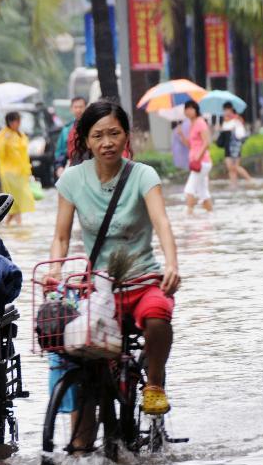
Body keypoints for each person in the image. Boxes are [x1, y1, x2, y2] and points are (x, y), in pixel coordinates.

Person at [48, 100, 180, 433]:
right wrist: (54, 269)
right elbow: (61, 237)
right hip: (100, 288)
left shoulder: (143, 175)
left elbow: (161, 221)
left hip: (144, 280)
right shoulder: (72, 181)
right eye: (98, 136)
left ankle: (155, 383)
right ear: (85, 140)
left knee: (157, 316)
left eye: (114, 134)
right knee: (84, 349)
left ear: (125, 137)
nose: (107, 142)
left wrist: (172, 265)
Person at [0, 111, 35, 225]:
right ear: (10, 122)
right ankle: (17, 225)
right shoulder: (3, 134)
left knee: (18, 199)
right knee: (14, 200)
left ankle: (8, 224)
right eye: (15, 121)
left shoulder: (20, 134)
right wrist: (4, 140)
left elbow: (25, 154)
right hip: (8, 173)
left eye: (19, 121)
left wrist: (28, 171)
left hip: (21, 173)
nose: (18, 123)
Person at [178, 100, 213, 214]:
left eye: (190, 108)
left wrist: (198, 157)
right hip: (197, 162)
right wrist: (182, 135)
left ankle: (189, 216)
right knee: (203, 192)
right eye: (186, 109)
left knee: (189, 189)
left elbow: (206, 142)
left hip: (202, 162)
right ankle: (210, 214)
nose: (187, 111)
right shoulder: (191, 124)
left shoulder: (200, 122)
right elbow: (191, 145)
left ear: (196, 110)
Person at [219, 102, 252, 187]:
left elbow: (241, 135)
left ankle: (249, 180)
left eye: (227, 110)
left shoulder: (237, 120)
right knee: (230, 167)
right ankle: (233, 183)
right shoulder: (224, 122)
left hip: (235, 147)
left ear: (231, 110)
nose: (226, 112)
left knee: (236, 166)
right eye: (224, 110)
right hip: (227, 147)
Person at [54, 96, 87, 178]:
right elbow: (61, 151)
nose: (78, 110)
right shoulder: (67, 129)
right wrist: (59, 167)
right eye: (76, 107)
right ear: (71, 109)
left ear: (86, 108)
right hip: (73, 167)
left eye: (81, 107)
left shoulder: (92, 126)